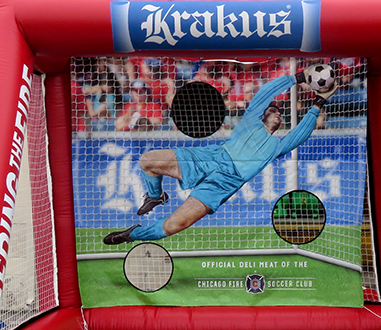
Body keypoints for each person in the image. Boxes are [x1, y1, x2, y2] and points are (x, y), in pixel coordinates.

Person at [103, 65, 338, 245]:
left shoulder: (276, 147)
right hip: (213, 157)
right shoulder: (250, 121)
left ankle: (133, 234)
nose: (278, 113)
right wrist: (296, 78)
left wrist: (319, 102)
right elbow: (266, 91)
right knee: (148, 160)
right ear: (265, 113)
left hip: (225, 182)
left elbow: (300, 133)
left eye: (280, 113)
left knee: (176, 224)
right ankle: (155, 196)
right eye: (274, 109)